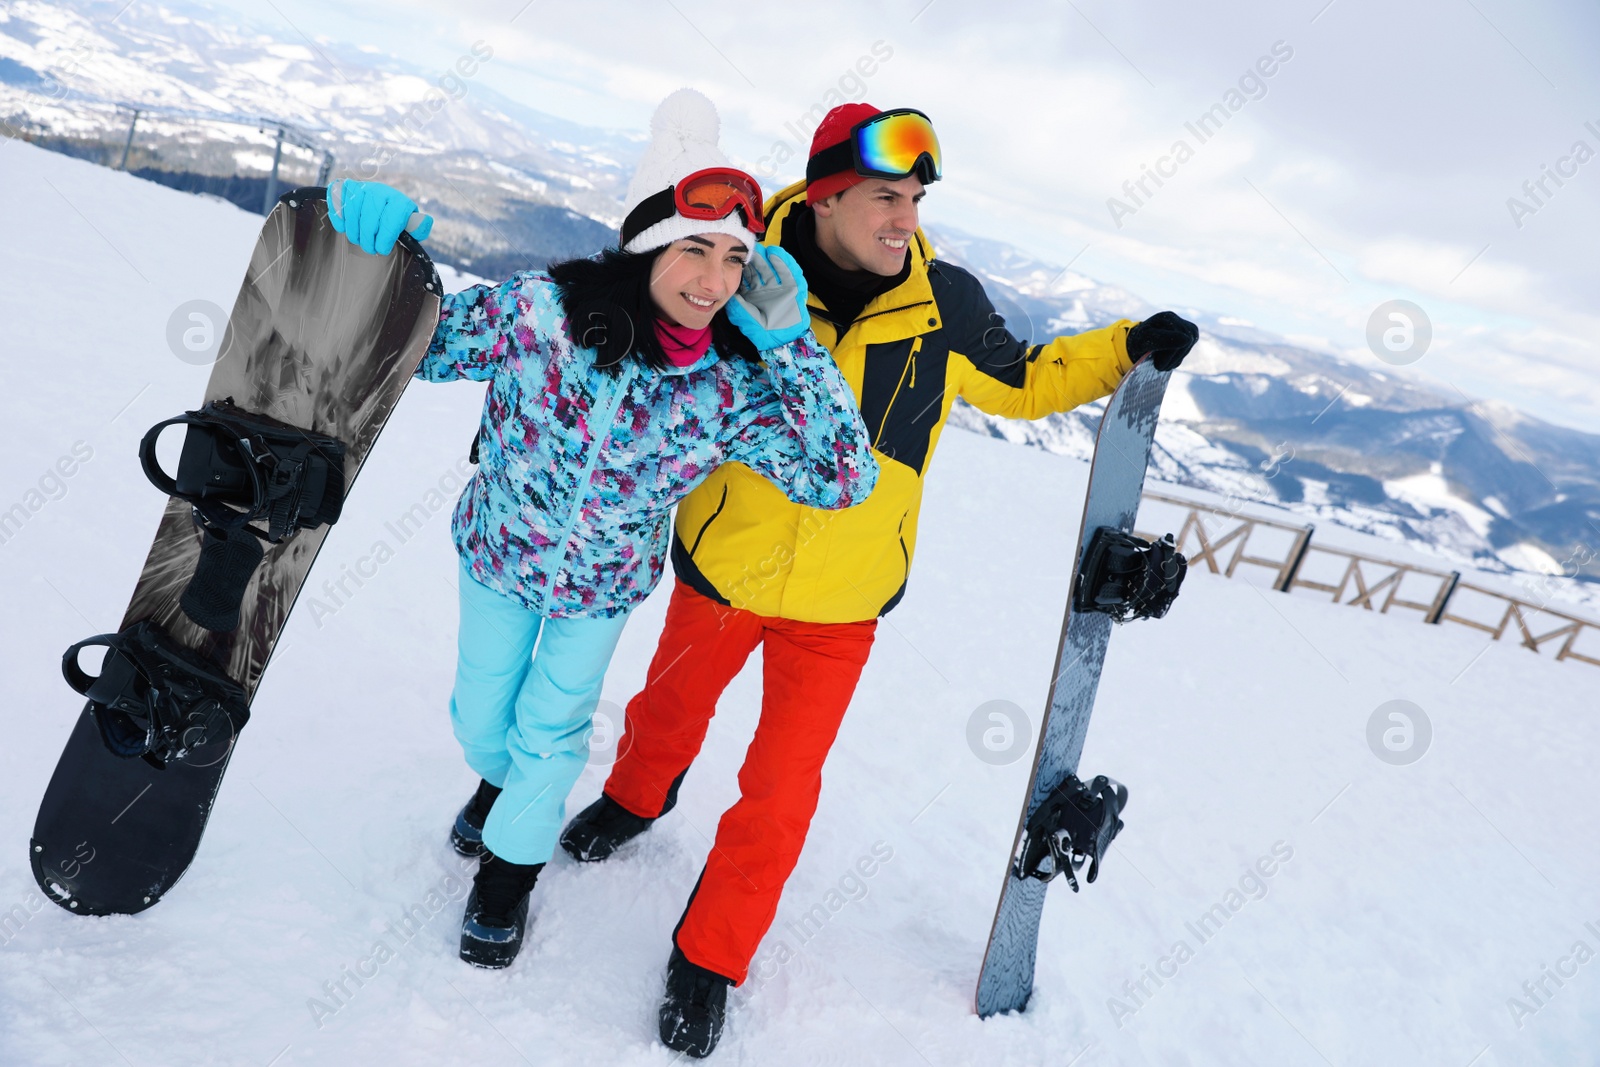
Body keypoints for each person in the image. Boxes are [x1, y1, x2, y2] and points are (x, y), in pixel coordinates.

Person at [559, 103, 1200, 1056]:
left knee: (781, 790)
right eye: (882, 197)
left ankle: (712, 954)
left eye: (915, 198)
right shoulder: (741, 270)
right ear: (824, 198)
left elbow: (1024, 379)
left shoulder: (945, 302)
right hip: (723, 568)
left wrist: (1122, 350)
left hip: (843, 603)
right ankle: (636, 797)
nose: (904, 217)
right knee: (665, 713)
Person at [328, 89, 879, 975]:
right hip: (498, 557)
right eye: (694, 248)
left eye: (736, 259)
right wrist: (374, 254)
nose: (714, 280)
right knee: (483, 721)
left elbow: (843, 477)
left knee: (552, 733)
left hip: (600, 593)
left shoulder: (729, 385)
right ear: (647, 245)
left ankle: (504, 884)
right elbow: (416, 349)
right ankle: (496, 780)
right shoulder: (543, 314)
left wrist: (791, 346)